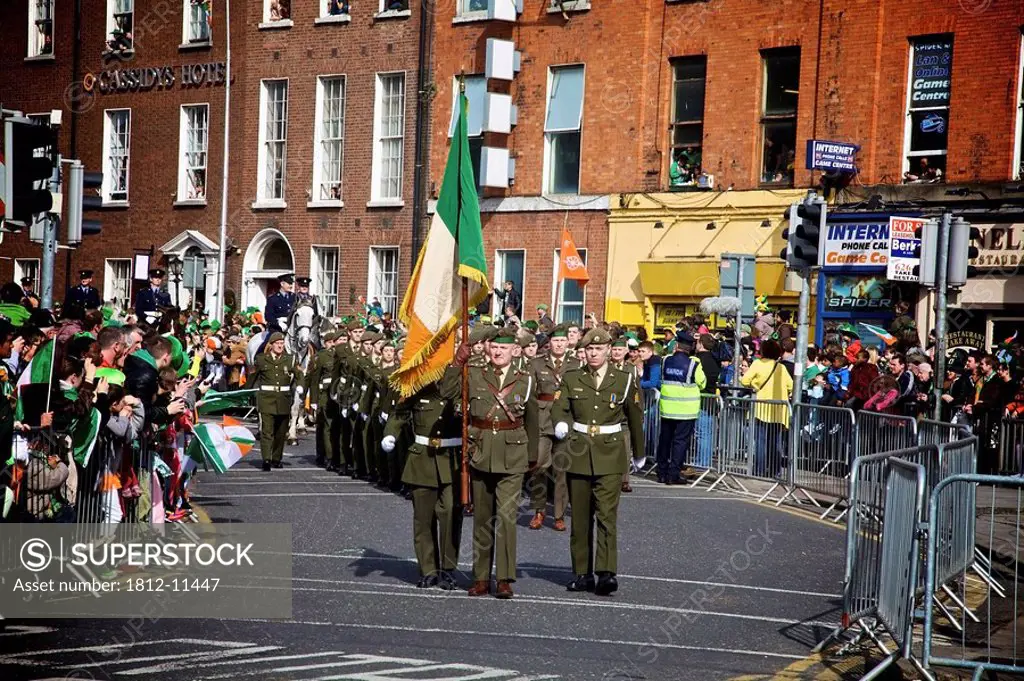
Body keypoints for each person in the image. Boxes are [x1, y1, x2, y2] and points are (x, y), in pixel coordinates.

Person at [552, 328, 645, 596]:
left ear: (608, 350)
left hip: (610, 453)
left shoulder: (624, 379)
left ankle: (606, 573)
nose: (593, 353)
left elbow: (634, 417)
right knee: (580, 518)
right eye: (589, 349)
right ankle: (582, 573)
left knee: (606, 516)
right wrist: (561, 422)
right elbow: (561, 406)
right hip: (578, 453)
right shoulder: (572, 377)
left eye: (598, 348)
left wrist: (639, 452)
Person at [453, 327, 539, 599]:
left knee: (506, 517)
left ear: (515, 350)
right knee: (481, 518)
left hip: (513, 454)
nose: (498, 352)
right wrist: (458, 362)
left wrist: (533, 456)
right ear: (488, 349)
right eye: (494, 347)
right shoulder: (475, 373)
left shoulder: (525, 379)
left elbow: (533, 419)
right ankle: (480, 577)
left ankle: (503, 578)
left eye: (504, 348)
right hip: (479, 452)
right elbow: (448, 392)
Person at [382, 364, 464, 590]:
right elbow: (400, 412)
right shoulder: (418, 387)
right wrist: (390, 433)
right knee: (423, 518)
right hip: (422, 459)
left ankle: (447, 568)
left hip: (451, 459)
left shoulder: (460, 387)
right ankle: (428, 569)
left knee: (450, 514)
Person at [527, 323, 578, 532]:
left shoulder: (575, 364)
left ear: (568, 342)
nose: (558, 344)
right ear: (550, 343)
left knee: (562, 470)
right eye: (555, 341)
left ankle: (558, 514)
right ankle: (539, 509)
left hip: (566, 419)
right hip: (543, 419)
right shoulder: (538, 363)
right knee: (539, 465)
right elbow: (531, 393)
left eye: (562, 341)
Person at [656, 330, 706, 484]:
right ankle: (673, 475)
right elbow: (702, 383)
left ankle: (661, 472)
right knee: (680, 442)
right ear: (690, 348)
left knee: (665, 441)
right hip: (686, 411)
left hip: (667, 409)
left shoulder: (665, 360)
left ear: (676, 345)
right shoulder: (694, 363)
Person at [740, 339, 793, 479]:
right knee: (775, 442)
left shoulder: (758, 364)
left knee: (761, 441)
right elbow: (791, 386)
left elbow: (744, 381)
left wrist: (755, 386)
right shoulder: (780, 367)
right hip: (778, 410)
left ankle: (760, 470)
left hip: (761, 408)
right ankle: (775, 471)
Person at [250, 331, 297, 471]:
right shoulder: (261, 359)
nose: (280, 346)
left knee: (281, 432)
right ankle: (266, 459)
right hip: (267, 399)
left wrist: (300, 386)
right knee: (267, 431)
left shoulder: (290, 360)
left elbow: (299, 374)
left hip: (283, 399)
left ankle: (276, 458)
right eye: (277, 343)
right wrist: (246, 393)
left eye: (282, 343)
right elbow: (253, 378)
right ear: (271, 345)